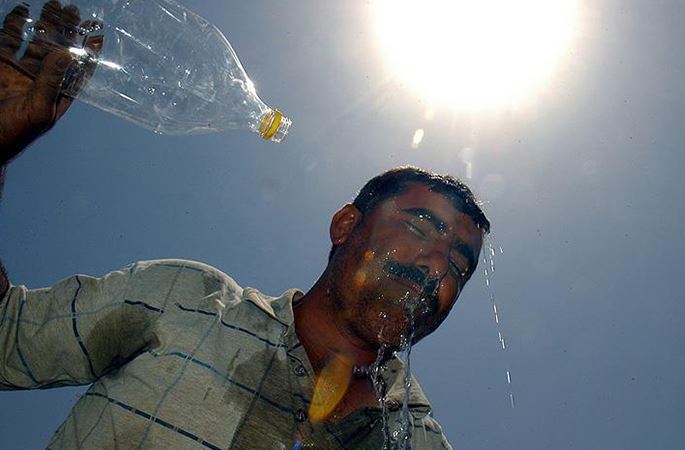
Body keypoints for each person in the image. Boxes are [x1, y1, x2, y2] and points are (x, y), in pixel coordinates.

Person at [0, 3, 490, 449]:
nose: (436, 265)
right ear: (345, 225)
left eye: (460, 266)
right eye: (423, 227)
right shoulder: (181, 302)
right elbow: (7, 337)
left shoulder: (414, 441)